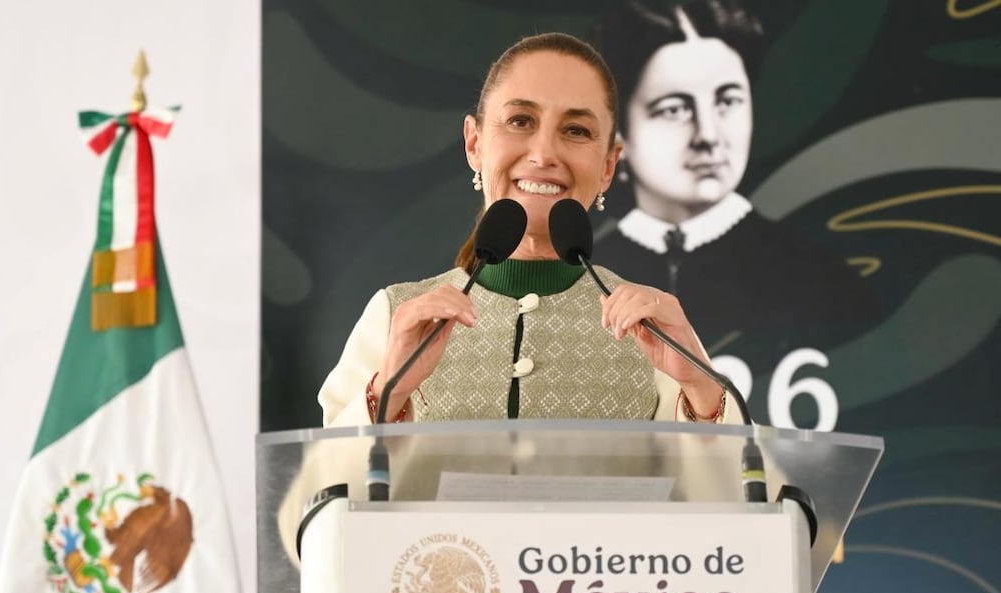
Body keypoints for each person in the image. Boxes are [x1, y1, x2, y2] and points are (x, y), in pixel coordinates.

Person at [318, 31, 742, 429]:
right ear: (474, 144)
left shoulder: (653, 325)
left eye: (576, 130)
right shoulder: (396, 314)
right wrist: (389, 390)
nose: (543, 154)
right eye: (520, 121)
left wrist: (700, 387)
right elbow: (324, 478)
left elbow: (742, 479)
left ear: (608, 165)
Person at [591, 1, 875, 388]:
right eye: (674, 109)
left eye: (727, 101)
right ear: (619, 132)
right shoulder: (585, 277)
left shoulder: (822, 280)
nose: (709, 135)